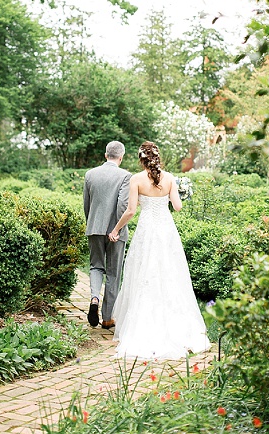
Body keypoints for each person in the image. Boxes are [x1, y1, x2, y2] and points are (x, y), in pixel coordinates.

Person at [107, 141, 210, 359]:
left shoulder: (136, 179)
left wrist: (116, 229)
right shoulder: (171, 178)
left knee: (144, 272)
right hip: (166, 231)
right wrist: (180, 191)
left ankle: (142, 324)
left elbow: (131, 211)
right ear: (157, 157)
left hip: (146, 231)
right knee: (170, 272)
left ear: (141, 158)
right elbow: (178, 207)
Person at [83, 141, 132, 329]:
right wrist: (116, 230)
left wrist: (93, 224)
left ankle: (94, 298)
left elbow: (87, 205)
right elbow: (122, 206)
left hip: (94, 227)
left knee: (96, 266)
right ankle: (107, 318)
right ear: (121, 157)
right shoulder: (125, 176)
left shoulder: (90, 175)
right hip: (115, 231)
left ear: (105, 155)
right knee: (113, 273)